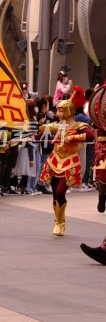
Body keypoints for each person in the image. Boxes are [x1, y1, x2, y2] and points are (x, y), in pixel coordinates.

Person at [36, 99, 94, 236]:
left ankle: (60, 222)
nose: (58, 113)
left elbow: (90, 136)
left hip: (70, 162)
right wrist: (23, 136)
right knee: (56, 193)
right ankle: (58, 221)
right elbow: (38, 134)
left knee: (61, 192)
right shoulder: (55, 125)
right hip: (55, 161)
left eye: (61, 110)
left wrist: (74, 137)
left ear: (69, 110)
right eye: (58, 110)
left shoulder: (79, 125)